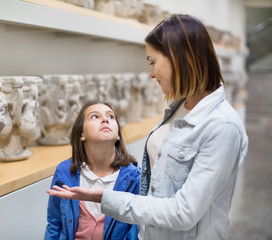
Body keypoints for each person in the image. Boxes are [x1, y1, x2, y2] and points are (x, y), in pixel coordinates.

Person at [47, 14, 248, 240]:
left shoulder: (222, 126)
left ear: (178, 58)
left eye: (152, 62)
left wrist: (105, 198)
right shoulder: (181, 107)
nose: (151, 74)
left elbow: (183, 213)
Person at [44, 100, 141, 239]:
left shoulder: (134, 178)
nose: (105, 120)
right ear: (81, 134)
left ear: (118, 134)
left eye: (110, 116)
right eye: (95, 116)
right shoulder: (64, 171)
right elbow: (55, 223)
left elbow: (135, 231)